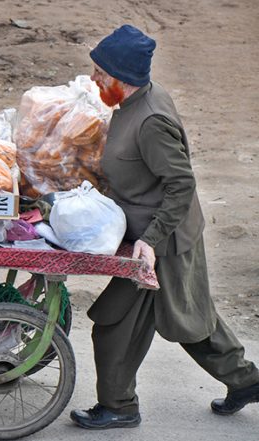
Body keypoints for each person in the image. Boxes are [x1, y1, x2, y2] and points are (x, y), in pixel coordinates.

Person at [69, 24, 259, 429]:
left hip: (163, 242)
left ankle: (119, 407)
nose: (94, 79)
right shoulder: (133, 104)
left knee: (121, 325)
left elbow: (181, 184)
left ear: (122, 79)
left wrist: (152, 242)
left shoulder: (152, 119)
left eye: (101, 74)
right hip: (149, 236)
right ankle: (247, 382)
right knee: (190, 317)